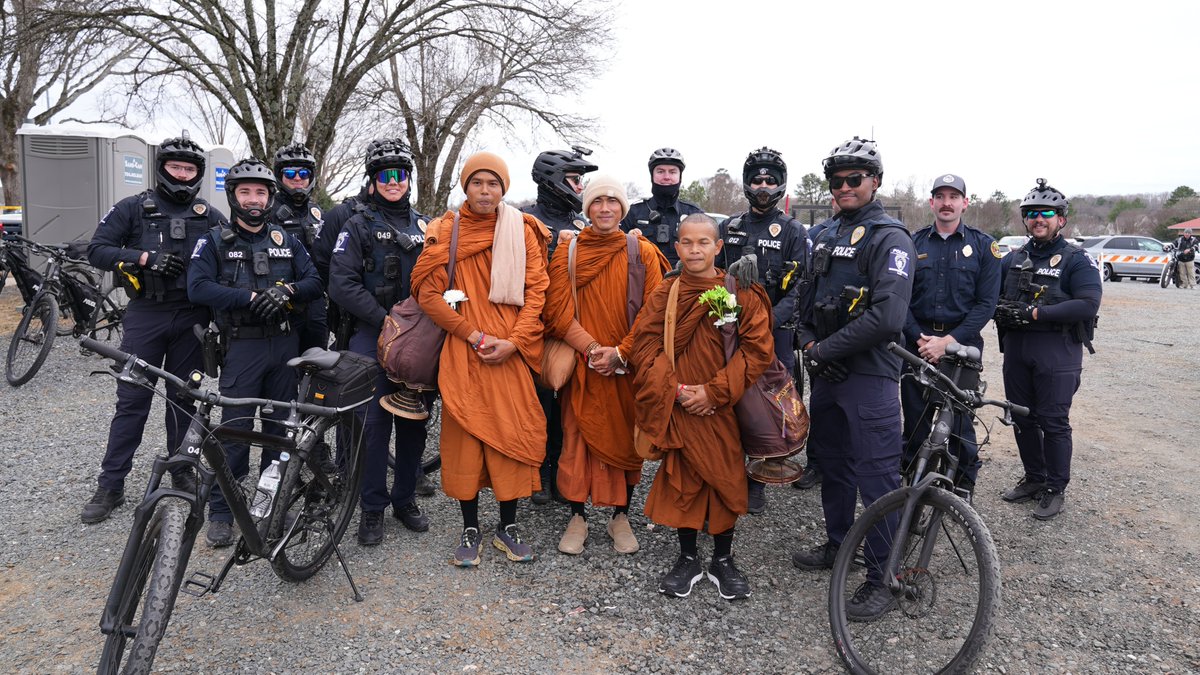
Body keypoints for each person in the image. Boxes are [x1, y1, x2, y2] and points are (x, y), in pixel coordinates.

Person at [791, 136, 915, 621]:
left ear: (875, 181)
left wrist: (824, 349)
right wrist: (809, 347)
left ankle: (884, 576)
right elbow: (803, 302)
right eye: (836, 180)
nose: (844, 187)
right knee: (834, 465)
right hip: (827, 373)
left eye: (854, 179)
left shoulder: (890, 238)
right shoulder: (822, 234)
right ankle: (839, 545)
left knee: (876, 477)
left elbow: (888, 318)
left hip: (869, 377)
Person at [411, 152, 550, 566]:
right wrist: (472, 334)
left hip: (509, 351)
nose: (485, 191)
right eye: (477, 183)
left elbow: (537, 291)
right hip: (464, 349)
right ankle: (469, 527)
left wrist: (515, 342)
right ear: (465, 187)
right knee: (465, 441)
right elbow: (428, 294)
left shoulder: (522, 229)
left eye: (493, 184)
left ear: (503, 188)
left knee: (511, 435)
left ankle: (508, 526)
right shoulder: (446, 230)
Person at [82, 133, 228, 524]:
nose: (182, 175)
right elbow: (96, 249)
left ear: (198, 174)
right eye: (175, 167)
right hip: (146, 314)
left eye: (189, 169)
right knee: (132, 400)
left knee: (183, 398)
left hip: (193, 317)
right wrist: (144, 257)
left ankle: (181, 468)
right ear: (161, 168)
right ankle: (111, 484)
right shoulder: (133, 208)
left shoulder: (210, 215)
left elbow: (232, 258)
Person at [630, 213, 774, 601]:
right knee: (684, 481)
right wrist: (675, 390)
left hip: (723, 406)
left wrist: (714, 392)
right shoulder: (668, 291)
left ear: (718, 246)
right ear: (677, 247)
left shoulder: (738, 290)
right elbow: (644, 345)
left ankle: (723, 559)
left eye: (703, 242)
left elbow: (758, 350)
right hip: (679, 403)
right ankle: (688, 557)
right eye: (687, 243)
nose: (695, 250)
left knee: (725, 478)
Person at [187, 158, 323, 546]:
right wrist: (249, 297)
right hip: (241, 348)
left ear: (269, 198)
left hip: (284, 346)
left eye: (260, 192)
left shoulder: (286, 240)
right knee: (235, 432)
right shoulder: (213, 240)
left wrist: (287, 291)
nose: (253, 199)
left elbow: (315, 281)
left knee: (280, 432)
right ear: (233, 196)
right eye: (245, 192)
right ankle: (221, 512)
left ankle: (269, 505)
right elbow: (198, 287)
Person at [543, 174, 668, 555]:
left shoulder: (641, 252)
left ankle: (620, 516)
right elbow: (557, 312)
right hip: (584, 365)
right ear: (587, 208)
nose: (605, 208)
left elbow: (654, 313)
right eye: (597, 201)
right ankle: (577, 516)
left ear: (623, 208)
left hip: (626, 366)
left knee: (625, 440)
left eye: (613, 201)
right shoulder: (569, 251)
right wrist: (593, 348)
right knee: (575, 441)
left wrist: (621, 352)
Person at [327, 139, 434, 545]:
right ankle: (371, 507)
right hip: (374, 332)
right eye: (385, 175)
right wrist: (384, 320)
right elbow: (341, 283)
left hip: (420, 339)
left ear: (409, 180)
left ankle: (404, 499)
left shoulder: (428, 227)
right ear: (373, 180)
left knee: (414, 423)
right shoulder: (356, 225)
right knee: (371, 427)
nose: (393, 181)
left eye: (400, 174)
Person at [995, 178, 1101, 520]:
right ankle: (1034, 478)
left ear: (1061, 219)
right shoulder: (1012, 258)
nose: (1038, 219)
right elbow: (988, 295)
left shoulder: (1076, 260)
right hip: (1017, 348)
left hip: (1057, 350)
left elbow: (1088, 303)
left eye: (1046, 213)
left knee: (1053, 421)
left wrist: (1037, 312)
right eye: (1031, 214)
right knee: (1022, 417)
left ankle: (1055, 487)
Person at [719, 147, 810, 514]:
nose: (762, 185)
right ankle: (729, 476)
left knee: (769, 407)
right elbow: (713, 274)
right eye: (756, 179)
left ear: (780, 184)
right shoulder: (729, 227)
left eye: (770, 180)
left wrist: (765, 320)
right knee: (730, 400)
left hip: (775, 332)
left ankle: (759, 479)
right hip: (729, 330)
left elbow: (802, 286)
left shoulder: (793, 230)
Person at [901, 174, 1000, 499]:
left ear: (964, 203)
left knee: (959, 423)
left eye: (953, 197)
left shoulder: (984, 246)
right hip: (916, 345)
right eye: (940, 197)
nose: (947, 203)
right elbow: (900, 297)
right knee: (915, 421)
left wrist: (948, 342)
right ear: (931, 202)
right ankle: (911, 482)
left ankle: (962, 486)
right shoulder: (912, 243)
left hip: (962, 348)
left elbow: (986, 304)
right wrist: (919, 338)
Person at [523, 146, 599, 505]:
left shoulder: (583, 223)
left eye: (581, 180)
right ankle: (537, 470)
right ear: (553, 180)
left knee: (567, 404)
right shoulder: (523, 219)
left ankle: (561, 470)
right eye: (574, 179)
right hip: (532, 326)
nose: (580, 186)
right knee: (537, 402)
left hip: (571, 327)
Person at [270, 142, 329, 351]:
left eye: (303, 173)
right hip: (281, 298)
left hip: (315, 299)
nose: (297, 178)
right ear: (280, 175)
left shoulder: (316, 211)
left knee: (316, 359)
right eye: (290, 173)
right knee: (284, 362)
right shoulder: (268, 209)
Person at [621, 148, 704, 267]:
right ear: (652, 176)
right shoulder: (632, 212)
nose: (666, 177)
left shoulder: (694, 214)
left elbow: (707, 254)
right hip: (643, 277)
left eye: (672, 172)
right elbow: (617, 252)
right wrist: (628, 240)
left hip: (682, 277)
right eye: (660, 171)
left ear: (680, 177)